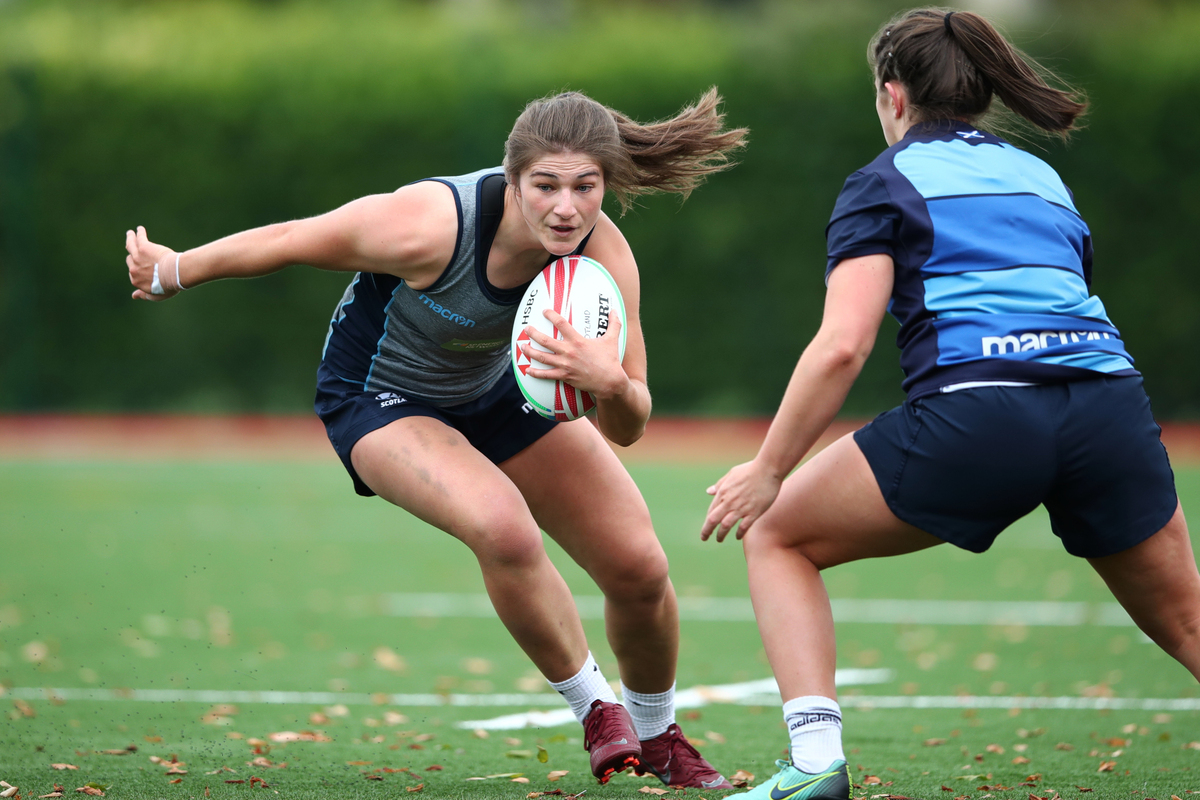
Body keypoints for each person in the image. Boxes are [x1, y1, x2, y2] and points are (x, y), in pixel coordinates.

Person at [126, 88, 747, 789]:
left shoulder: (604, 258)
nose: (566, 208)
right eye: (545, 186)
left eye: (585, 187)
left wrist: (608, 382)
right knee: (503, 528)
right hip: (380, 398)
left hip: (497, 390)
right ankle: (598, 710)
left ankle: (661, 736)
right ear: (512, 182)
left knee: (639, 567)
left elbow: (630, 426)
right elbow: (290, 238)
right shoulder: (427, 226)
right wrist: (173, 269)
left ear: (606, 183)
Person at [701, 8, 1200, 800]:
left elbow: (842, 346)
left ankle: (813, 763)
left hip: (983, 415)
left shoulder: (883, 181)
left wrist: (768, 468)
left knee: (779, 536)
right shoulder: (1044, 178)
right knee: (1186, 625)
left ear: (892, 95)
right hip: (1110, 405)